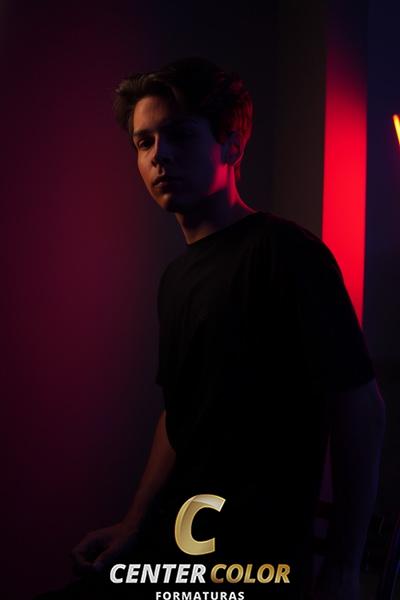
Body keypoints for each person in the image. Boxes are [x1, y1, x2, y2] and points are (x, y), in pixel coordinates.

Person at [35, 57, 385, 600]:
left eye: (178, 135)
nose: (159, 155)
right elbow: (179, 413)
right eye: (144, 142)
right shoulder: (175, 278)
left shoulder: (286, 253)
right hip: (175, 546)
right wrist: (133, 522)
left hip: (252, 562)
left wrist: (343, 566)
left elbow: (359, 407)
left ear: (231, 147)